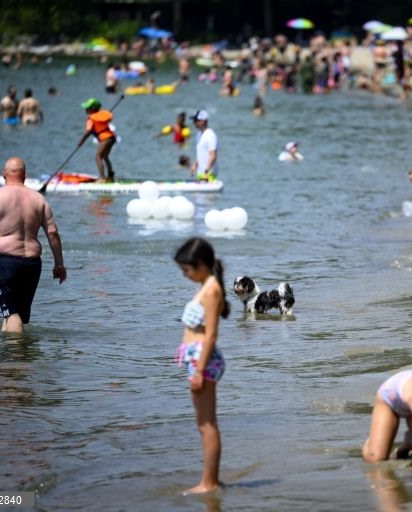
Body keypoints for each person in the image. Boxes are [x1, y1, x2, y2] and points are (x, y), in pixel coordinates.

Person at [0, 157, 66, 333]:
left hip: (5, 263)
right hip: (32, 264)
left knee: (11, 314)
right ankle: (11, 349)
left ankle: (17, 351)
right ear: (25, 175)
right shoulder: (39, 199)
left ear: (4, 174)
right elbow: (53, 233)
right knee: (15, 315)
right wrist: (59, 264)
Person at [173, 237, 230, 494]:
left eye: (187, 269)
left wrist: (198, 370)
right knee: (203, 423)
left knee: (207, 424)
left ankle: (210, 483)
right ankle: (210, 481)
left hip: (203, 361)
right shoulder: (205, 286)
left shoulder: (212, 290)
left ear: (202, 264)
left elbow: (211, 335)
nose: (185, 275)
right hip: (197, 359)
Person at [78, 98, 116, 183]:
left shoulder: (91, 119)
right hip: (112, 137)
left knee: (98, 157)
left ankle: (102, 178)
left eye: (87, 108)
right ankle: (111, 177)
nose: (85, 110)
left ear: (92, 109)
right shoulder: (101, 116)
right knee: (105, 157)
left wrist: (81, 141)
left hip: (105, 139)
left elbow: (88, 131)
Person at [191, 110, 218, 181]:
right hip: (200, 174)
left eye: (196, 120)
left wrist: (206, 172)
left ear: (203, 121)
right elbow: (201, 154)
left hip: (209, 175)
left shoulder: (210, 135)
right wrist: (195, 164)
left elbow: (213, 156)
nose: (194, 122)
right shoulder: (198, 135)